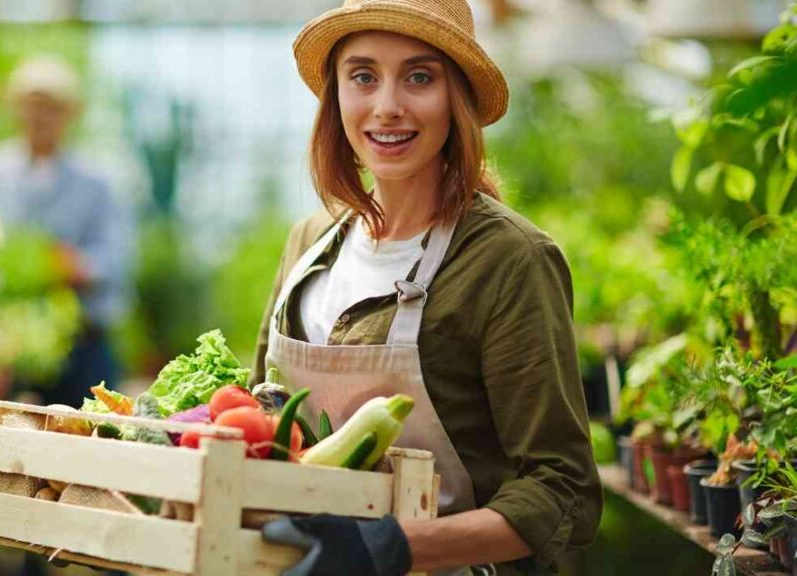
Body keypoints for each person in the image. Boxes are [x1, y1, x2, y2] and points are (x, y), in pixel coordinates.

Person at [252, 1, 603, 574]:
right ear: (336, 95)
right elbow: (263, 419)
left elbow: (562, 489)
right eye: (363, 76)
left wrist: (396, 548)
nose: (387, 106)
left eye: (419, 77)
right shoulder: (310, 243)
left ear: (455, 97)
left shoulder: (508, 261)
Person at [0, 55, 135, 407]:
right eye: (31, 106)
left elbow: (117, 259)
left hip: (83, 344)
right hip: (9, 345)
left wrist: (73, 265)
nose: (39, 117)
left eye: (51, 108)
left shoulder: (96, 181)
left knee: (85, 431)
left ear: (69, 115)